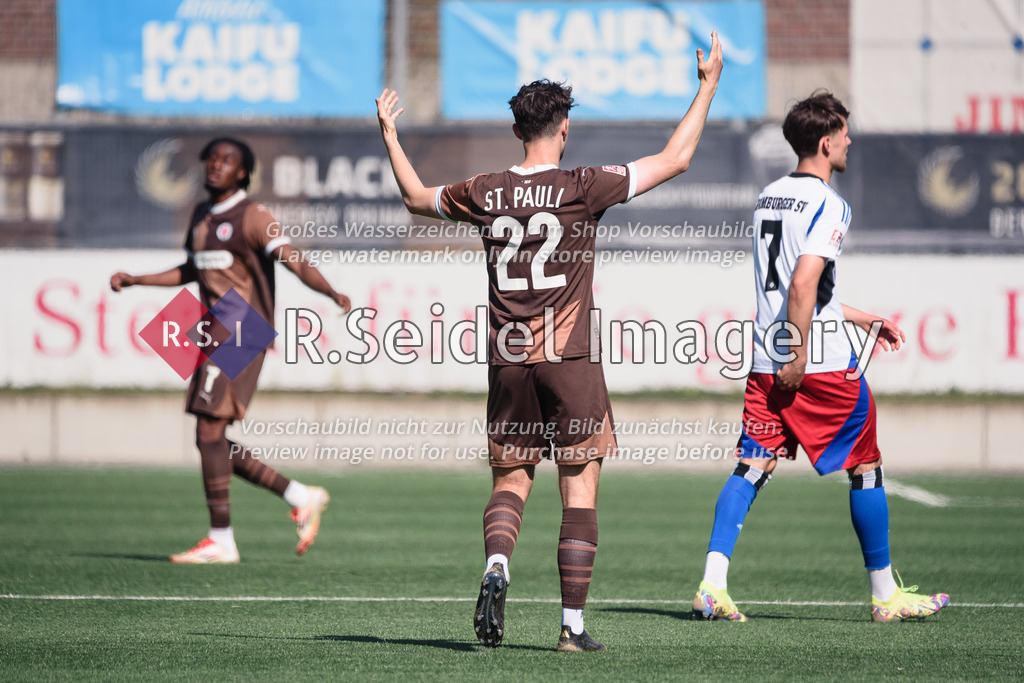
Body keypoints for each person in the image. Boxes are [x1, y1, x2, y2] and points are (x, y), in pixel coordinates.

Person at [376, 33, 723, 651]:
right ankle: (572, 627)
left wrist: (391, 136)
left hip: (508, 360)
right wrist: (707, 87)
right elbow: (675, 159)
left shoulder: (484, 190)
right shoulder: (583, 185)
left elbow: (414, 198)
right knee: (578, 487)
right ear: (563, 128)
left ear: (517, 132)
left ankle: (497, 566)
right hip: (569, 359)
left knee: (510, 482)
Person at [691, 93, 949, 623]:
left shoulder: (770, 196)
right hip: (817, 365)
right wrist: (800, 355)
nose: (850, 140)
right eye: (845, 133)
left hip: (766, 358)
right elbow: (804, 285)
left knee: (753, 464)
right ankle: (885, 597)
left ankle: (712, 586)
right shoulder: (830, 203)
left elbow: (795, 286)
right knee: (866, 467)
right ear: (826, 142)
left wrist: (858, 318)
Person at [110, 137, 352, 564]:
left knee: (207, 432)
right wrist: (138, 280)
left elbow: (292, 258)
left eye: (227, 161)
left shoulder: (254, 216)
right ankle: (299, 494)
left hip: (243, 329)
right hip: (212, 330)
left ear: (243, 172)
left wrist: (330, 291)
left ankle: (221, 540)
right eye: (211, 159)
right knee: (211, 437)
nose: (215, 165)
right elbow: (191, 268)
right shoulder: (202, 216)